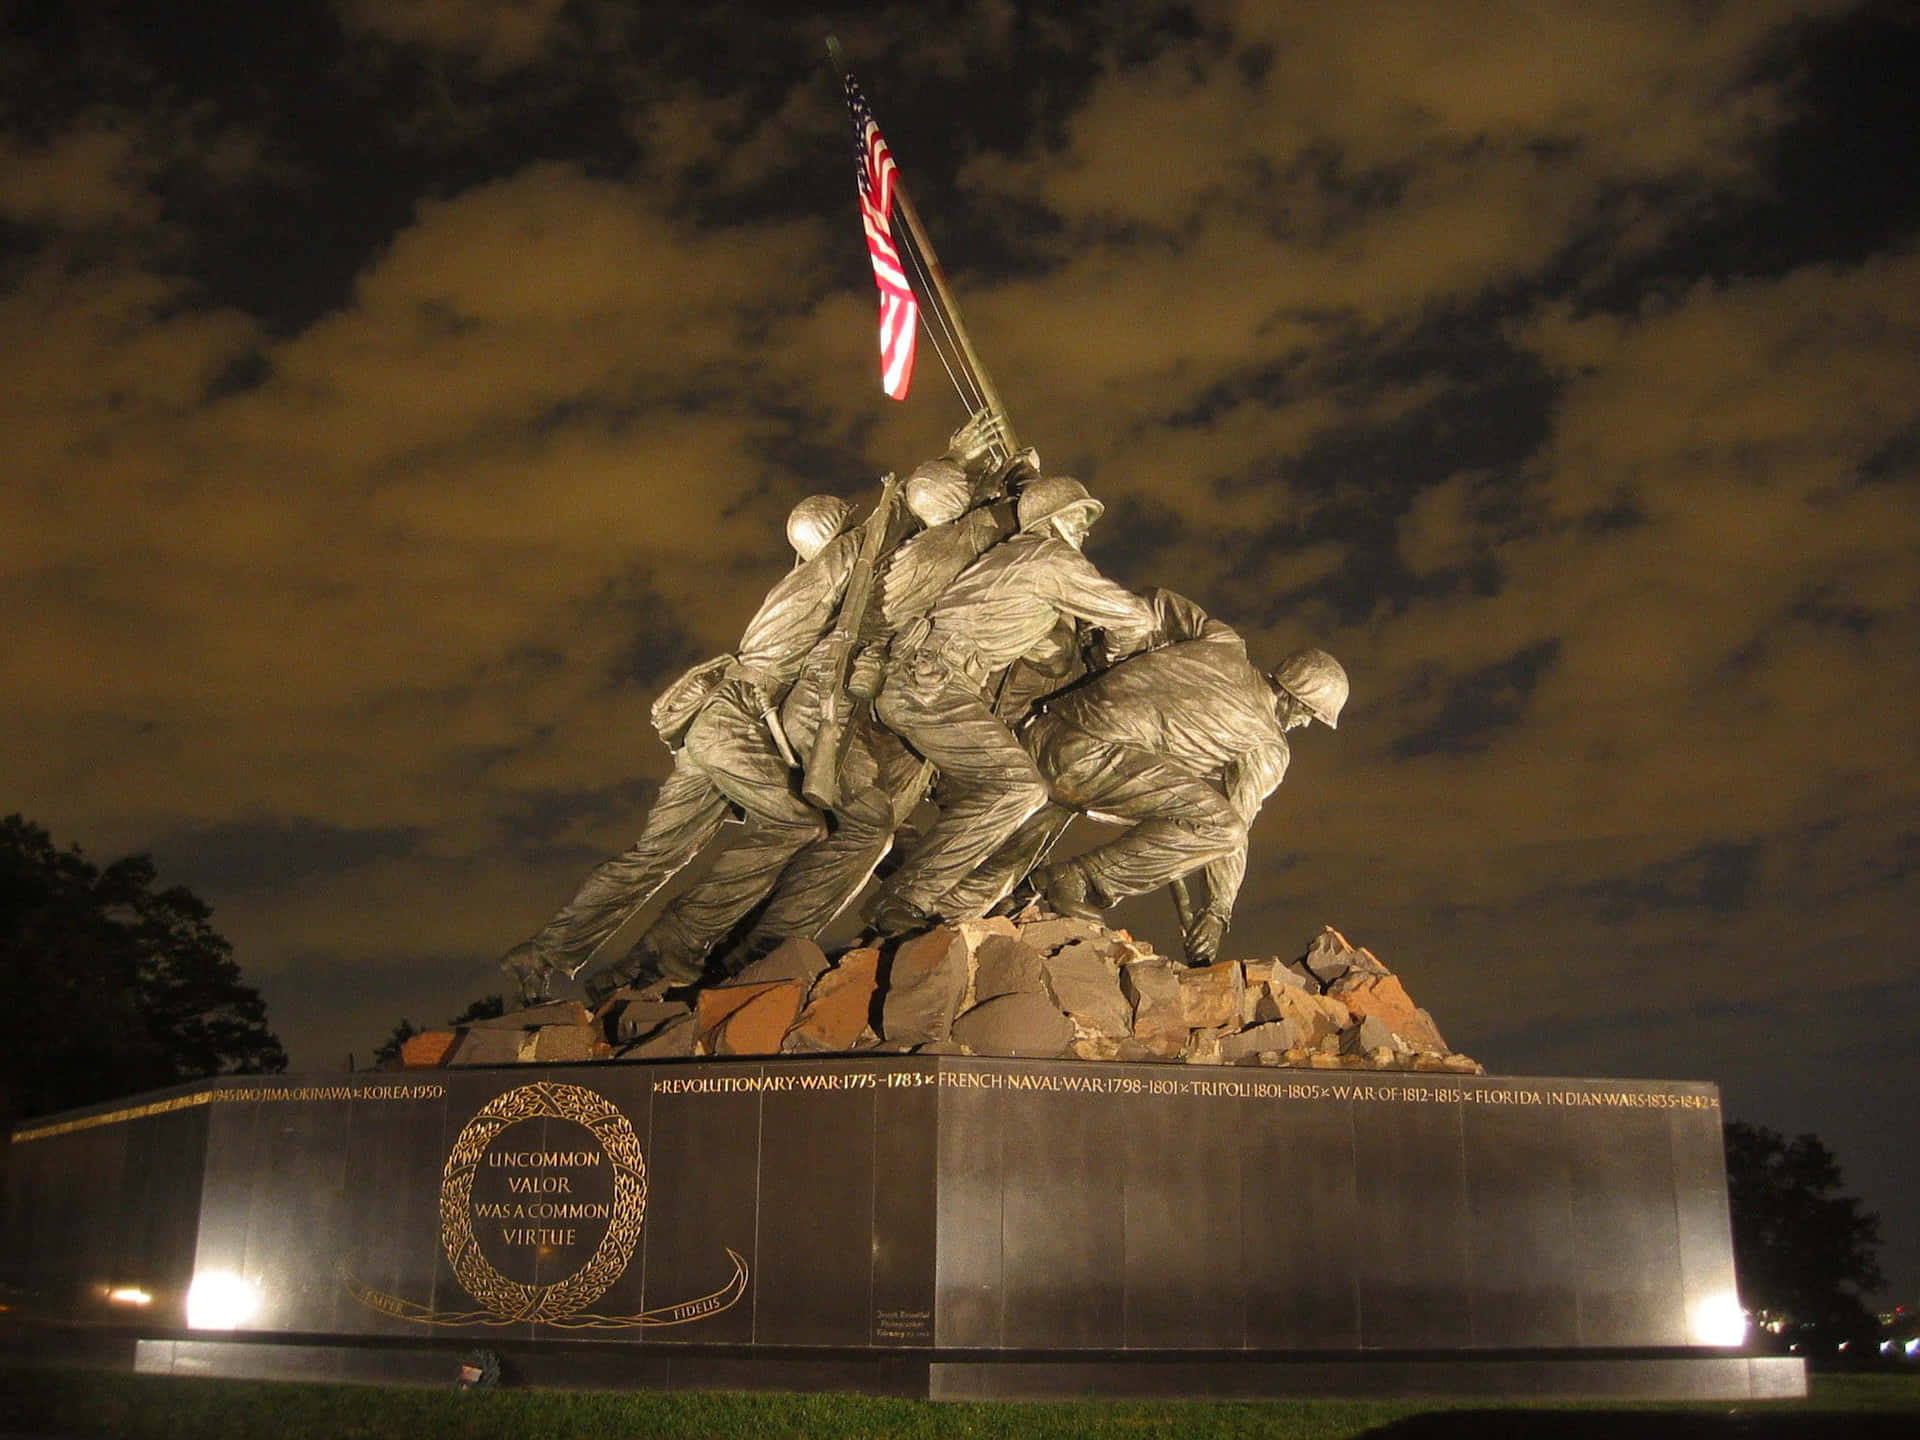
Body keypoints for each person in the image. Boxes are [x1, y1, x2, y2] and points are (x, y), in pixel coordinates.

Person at [498, 493, 866, 1005]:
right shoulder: (825, 572)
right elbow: (870, 544)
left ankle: (543, 953)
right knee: (798, 824)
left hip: (712, 724)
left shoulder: (794, 581)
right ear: (834, 534)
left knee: (654, 856)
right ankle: (679, 944)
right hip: (731, 721)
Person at [946, 589, 1346, 964]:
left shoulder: (1223, 642)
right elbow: (1234, 832)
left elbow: (1157, 602)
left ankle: (947, 921)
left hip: (1043, 731)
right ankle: (1080, 880)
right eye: (1310, 714)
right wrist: (1217, 912)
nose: (1306, 724)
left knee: (1004, 870)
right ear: (1296, 699)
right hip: (1087, 762)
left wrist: (1114, 652)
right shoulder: (1267, 745)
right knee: (1218, 827)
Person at [864, 474, 1156, 934]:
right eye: (1078, 518)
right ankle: (903, 899)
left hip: (934, 679)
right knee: (1017, 786)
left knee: (994, 797)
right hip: (934, 683)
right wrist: (1114, 656)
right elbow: (1138, 617)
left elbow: (1042, 649)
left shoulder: (1008, 558)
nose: (1085, 530)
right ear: (1050, 521)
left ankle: (936, 904)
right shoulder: (1051, 558)